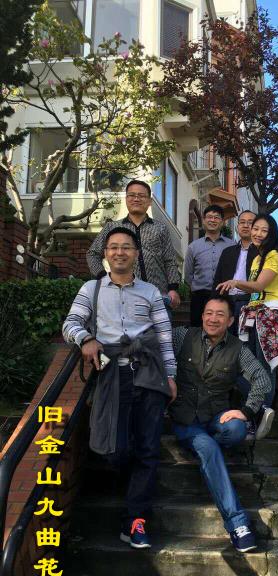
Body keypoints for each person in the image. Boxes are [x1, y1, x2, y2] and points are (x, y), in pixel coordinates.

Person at [63, 228, 177, 550]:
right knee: (114, 450)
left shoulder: (151, 292)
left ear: (136, 254)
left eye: (126, 247)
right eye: (113, 247)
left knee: (148, 450)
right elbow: (70, 323)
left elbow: (164, 336)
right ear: (106, 254)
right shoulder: (92, 289)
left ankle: (135, 520)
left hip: (149, 374)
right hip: (112, 374)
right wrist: (86, 339)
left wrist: (171, 376)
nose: (120, 252)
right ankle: (133, 494)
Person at [170, 295, 272, 552]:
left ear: (230, 320)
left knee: (236, 429)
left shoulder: (238, 349)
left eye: (219, 314)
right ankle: (238, 524)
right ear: (202, 316)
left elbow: (262, 378)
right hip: (186, 419)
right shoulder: (183, 336)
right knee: (208, 447)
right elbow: (155, 345)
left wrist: (246, 411)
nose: (212, 319)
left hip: (216, 416)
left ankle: (209, 447)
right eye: (208, 313)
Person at [216, 214, 278, 431]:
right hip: (254, 316)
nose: (258, 233)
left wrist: (235, 282)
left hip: (269, 317)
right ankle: (258, 411)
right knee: (247, 368)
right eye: (255, 228)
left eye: (264, 230)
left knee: (263, 369)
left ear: (272, 234)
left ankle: (260, 414)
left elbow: (259, 286)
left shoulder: (275, 255)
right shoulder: (258, 258)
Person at [86, 179, 181, 311]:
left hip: (158, 297)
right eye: (132, 195)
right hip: (122, 297)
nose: (136, 199)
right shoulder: (112, 227)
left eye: (141, 196)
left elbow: (170, 260)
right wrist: (103, 277)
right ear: (126, 199)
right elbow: (92, 254)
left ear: (149, 201)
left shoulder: (161, 228)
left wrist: (173, 288)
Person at [184, 204, 235, 327]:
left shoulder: (232, 245)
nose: (212, 220)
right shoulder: (193, 247)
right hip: (199, 297)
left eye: (216, 217)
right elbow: (188, 274)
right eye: (209, 217)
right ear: (204, 220)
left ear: (222, 222)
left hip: (224, 295)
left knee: (223, 329)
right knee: (197, 330)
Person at [213, 210, 258, 335]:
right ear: (237, 226)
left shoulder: (261, 252)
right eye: (242, 222)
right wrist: (215, 304)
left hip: (250, 302)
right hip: (227, 302)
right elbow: (217, 280)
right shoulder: (228, 252)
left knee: (247, 341)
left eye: (250, 222)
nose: (245, 226)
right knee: (226, 340)